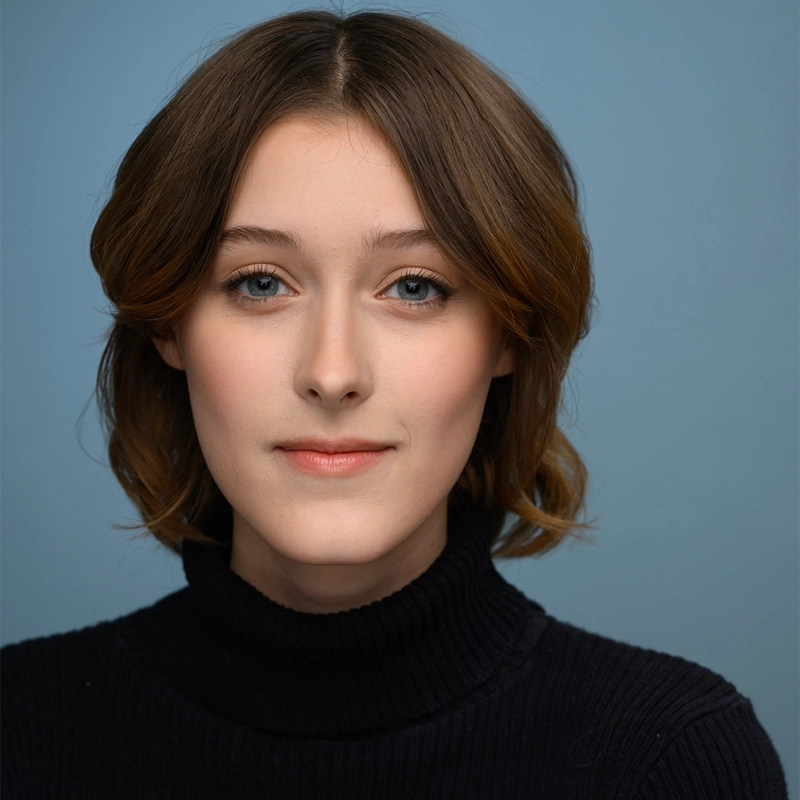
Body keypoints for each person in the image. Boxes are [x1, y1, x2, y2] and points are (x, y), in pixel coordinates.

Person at [1, 9, 787, 798]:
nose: (334, 372)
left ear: (510, 332)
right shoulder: (20, 732)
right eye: (260, 283)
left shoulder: (673, 758)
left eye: (415, 287)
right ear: (169, 323)